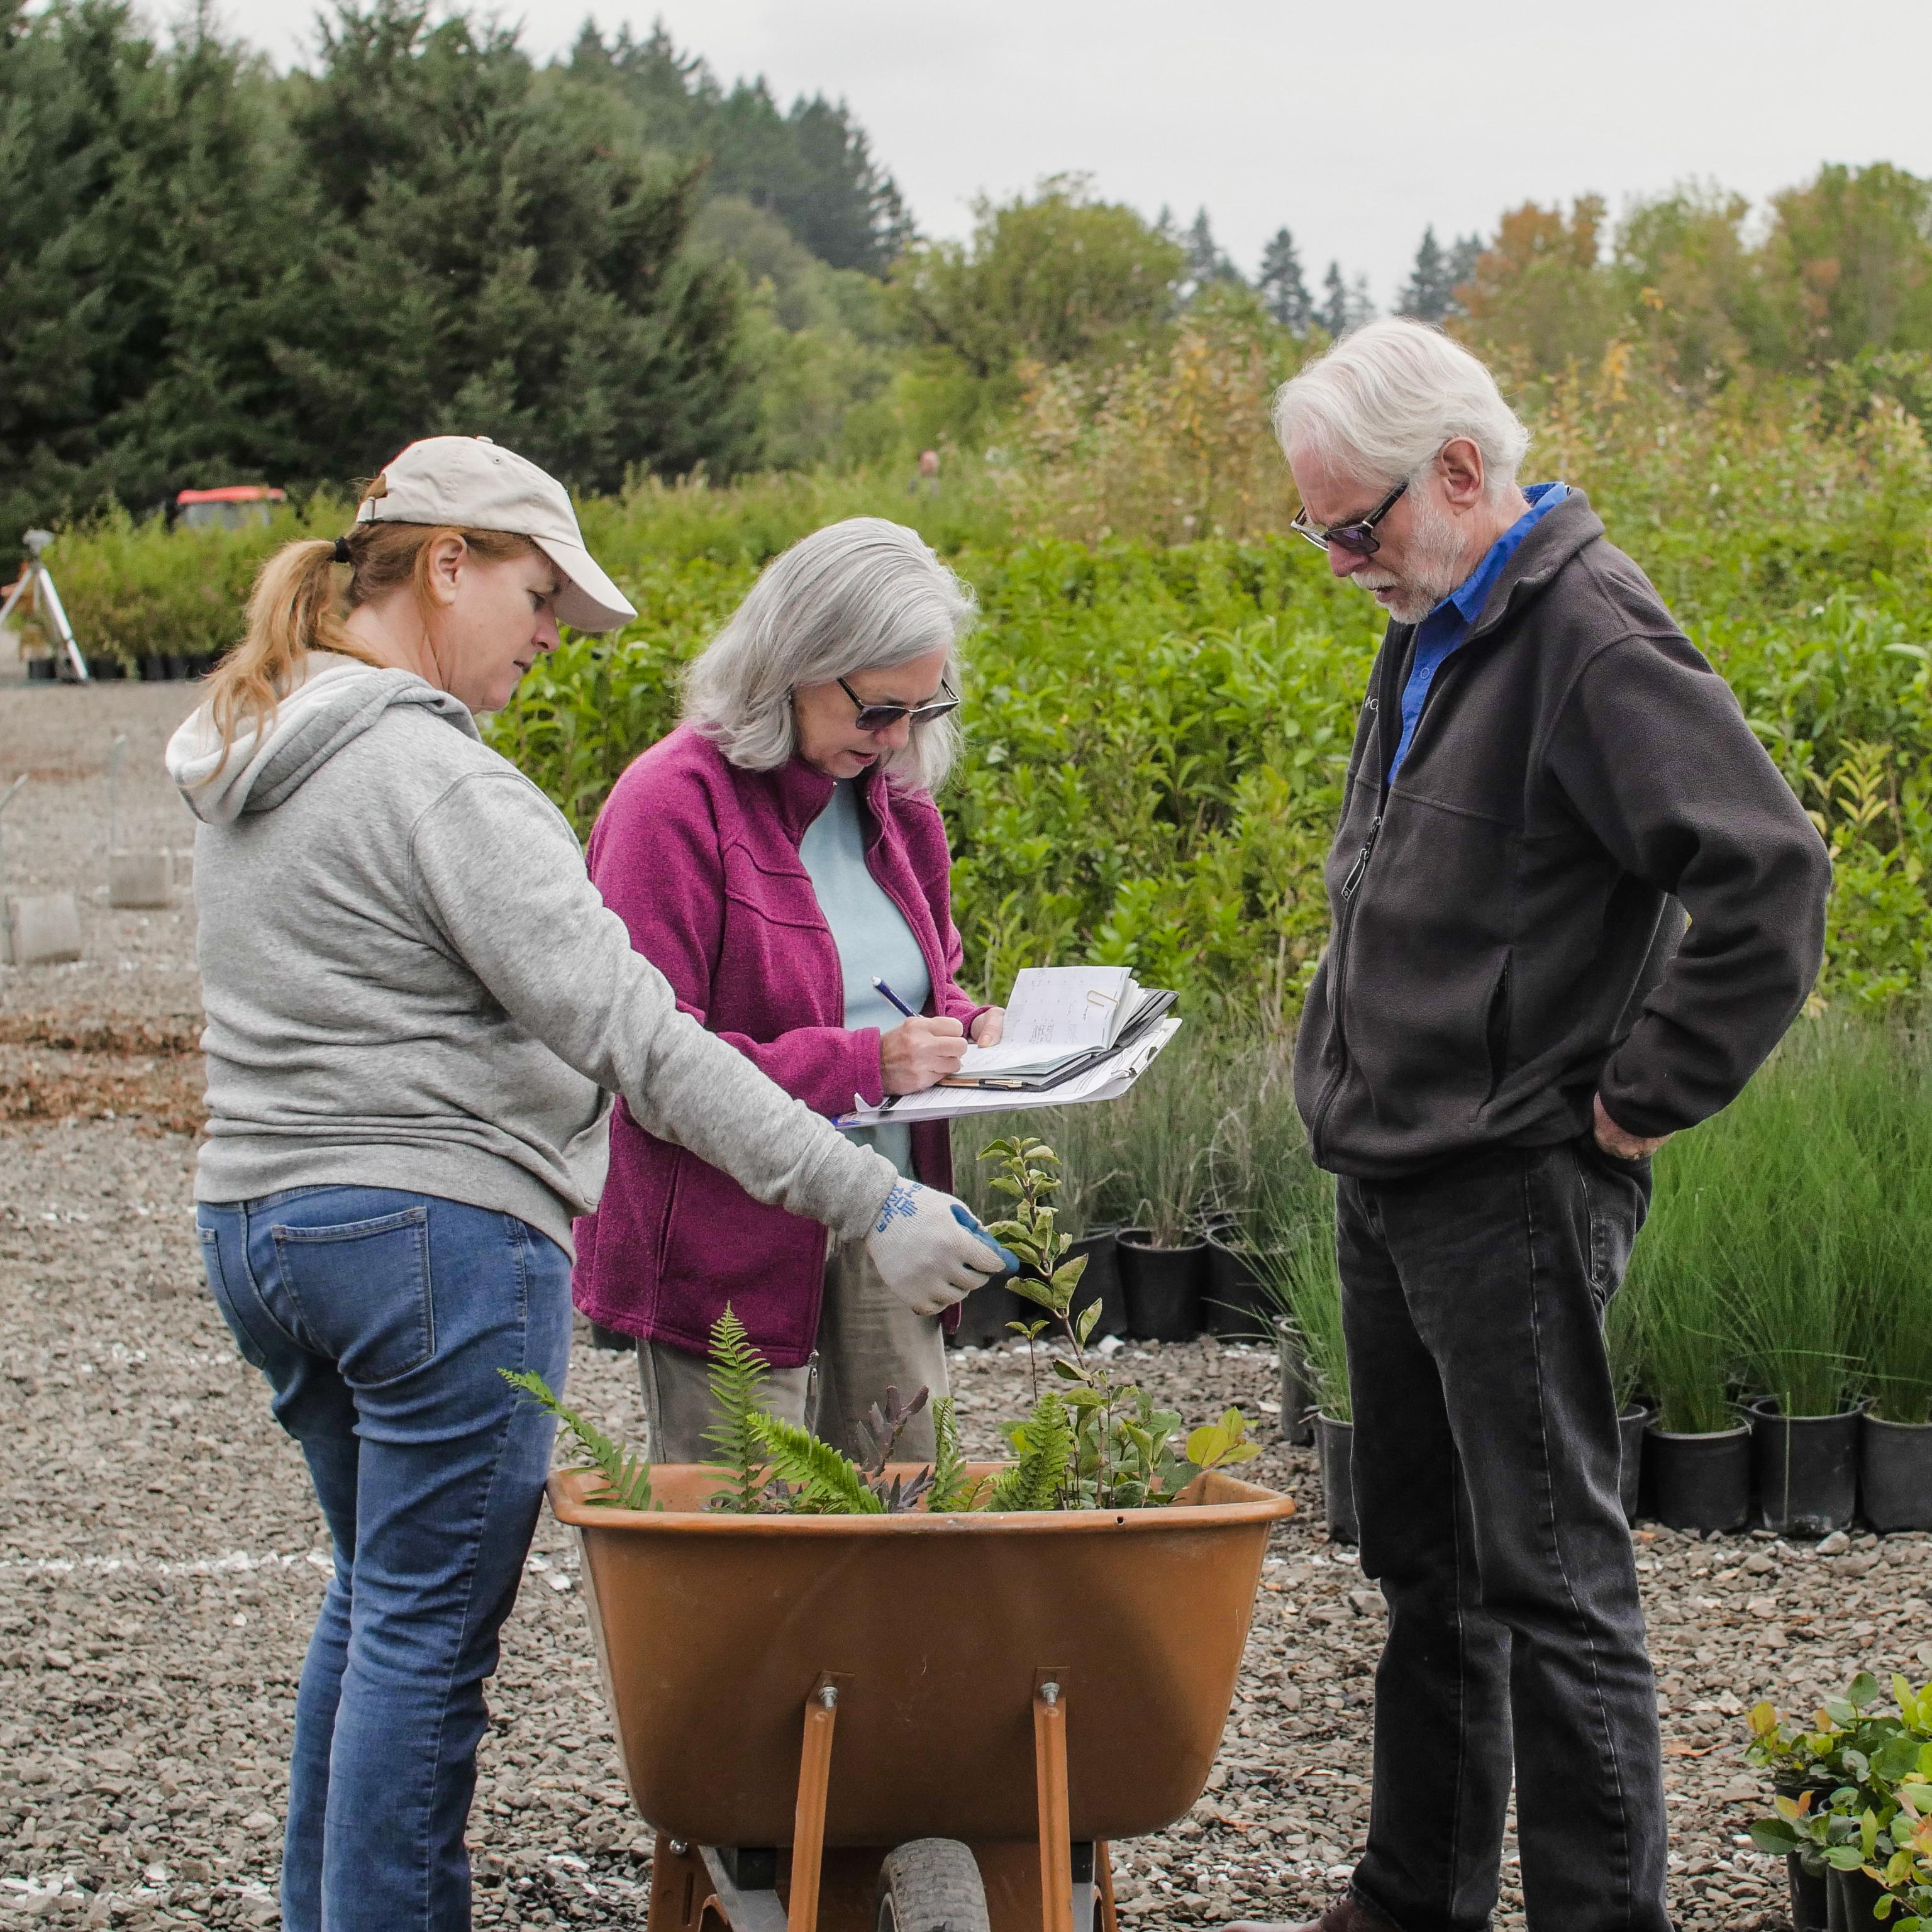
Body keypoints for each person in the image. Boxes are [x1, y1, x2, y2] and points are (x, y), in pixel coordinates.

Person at [166, 439, 1008, 1932]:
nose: (548, 637)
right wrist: (869, 1197)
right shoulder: (441, 782)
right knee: (428, 1643)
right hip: (433, 1236)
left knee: (375, 1605)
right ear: (447, 565)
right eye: (539, 596)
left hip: (262, 1221)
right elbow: (646, 1040)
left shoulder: (253, 740)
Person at [1235, 322, 1831, 1932]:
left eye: (1358, 527)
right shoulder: (1442, 611)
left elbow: (1769, 882)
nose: (1345, 563)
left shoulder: (1588, 630)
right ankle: (1410, 1899)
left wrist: (1639, 1098)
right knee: (1430, 1573)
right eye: (1321, 536)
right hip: (1395, 1171)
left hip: (1510, 1186)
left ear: (1459, 470)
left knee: (1553, 1588)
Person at [573, 517, 1005, 1464]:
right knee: (747, 1532)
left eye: (923, 713)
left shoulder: (895, 805)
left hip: (892, 1205)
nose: (897, 739)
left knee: (908, 1493)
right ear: (797, 663)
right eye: (878, 712)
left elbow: (909, 984)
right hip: (724, 1234)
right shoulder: (669, 808)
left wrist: (974, 1027)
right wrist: (865, 1063)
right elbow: (651, 1064)